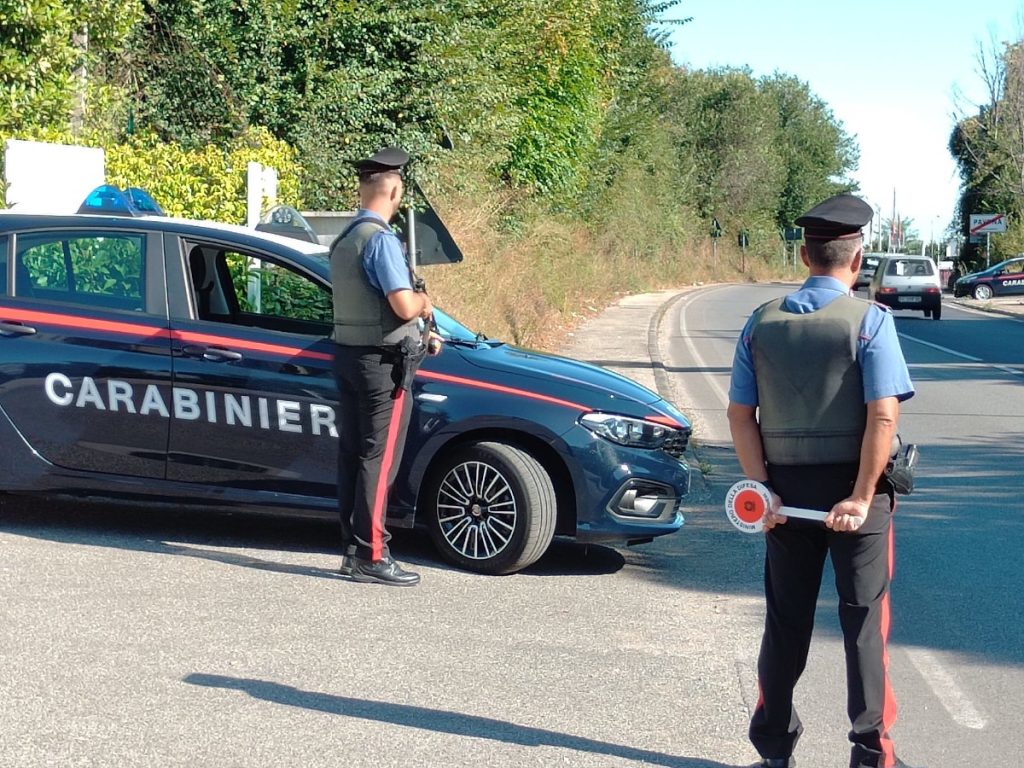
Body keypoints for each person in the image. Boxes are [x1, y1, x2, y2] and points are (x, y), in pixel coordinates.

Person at [727, 194, 917, 768]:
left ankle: (774, 751)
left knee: (786, 622)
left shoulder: (760, 325)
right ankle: (869, 753)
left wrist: (763, 493)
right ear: (857, 261)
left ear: (805, 255)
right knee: (863, 625)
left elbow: (741, 416)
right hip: (856, 496)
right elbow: (883, 416)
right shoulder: (871, 323)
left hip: (784, 492)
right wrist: (861, 497)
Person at [330, 146, 438, 587]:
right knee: (380, 460)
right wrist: (425, 303)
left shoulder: (344, 239)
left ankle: (353, 552)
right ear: (394, 191)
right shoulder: (381, 241)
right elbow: (401, 302)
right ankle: (374, 556)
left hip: (350, 359)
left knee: (354, 456)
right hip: (384, 368)